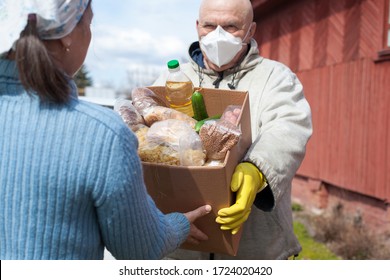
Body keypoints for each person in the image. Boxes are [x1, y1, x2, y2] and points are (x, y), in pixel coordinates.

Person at [0, 0, 212, 260]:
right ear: (66, 35)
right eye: (88, 23)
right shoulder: (101, 136)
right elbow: (139, 247)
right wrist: (177, 225)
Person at [153, 0, 313, 259]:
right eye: (209, 25)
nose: (218, 35)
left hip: (255, 249)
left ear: (250, 31)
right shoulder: (173, 79)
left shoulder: (276, 78)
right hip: (182, 249)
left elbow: (288, 128)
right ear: (197, 27)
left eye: (230, 26)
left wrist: (257, 169)